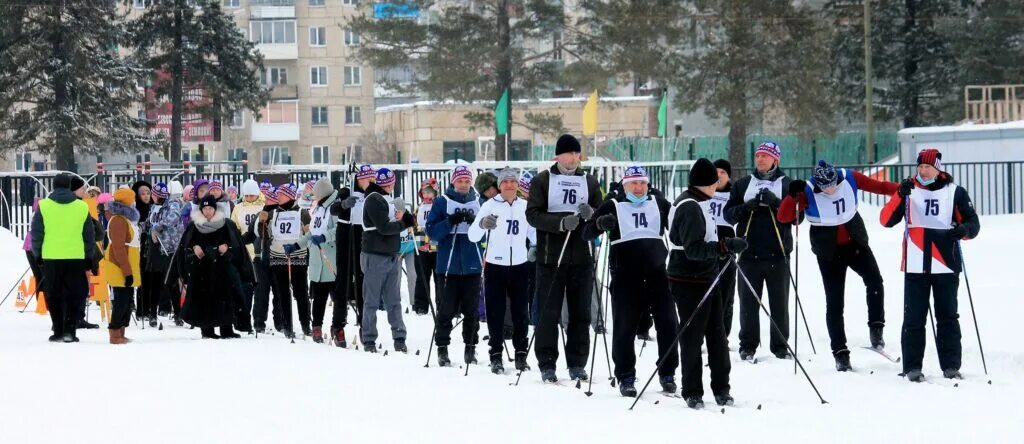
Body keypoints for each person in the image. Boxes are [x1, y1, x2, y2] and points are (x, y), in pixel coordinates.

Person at [778, 160, 898, 371]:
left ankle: (876, 328)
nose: (830, 189)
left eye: (833, 183)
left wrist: (903, 191)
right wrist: (791, 195)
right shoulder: (807, 190)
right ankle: (840, 353)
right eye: (825, 186)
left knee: (875, 281)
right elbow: (784, 217)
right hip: (828, 253)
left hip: (855, 244)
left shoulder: (849, 177)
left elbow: (878, 187)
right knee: (834, 303)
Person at [880, 148, 980, 382]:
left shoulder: (955, 192)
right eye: (920, 167)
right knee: (914, 317)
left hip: (946, 263)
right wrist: (899, 195)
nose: (923, 171)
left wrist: (965, 230)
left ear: (937, 169)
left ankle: (951, 366)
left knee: (947, 316)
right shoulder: (908, 189)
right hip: (916, 263)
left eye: (928, 167)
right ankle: (912, 367)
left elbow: (973, 223)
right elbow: (885, 220)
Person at [582, 166, 679, 396]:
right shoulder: (613, 205)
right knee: (624, 327)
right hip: (626, 276)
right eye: (634, 183)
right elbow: (586, 233)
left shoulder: (658, 203)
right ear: (625, 185)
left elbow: (678, 228)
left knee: (668, 323)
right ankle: (626, 376)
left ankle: (668, 372)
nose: (638, 188)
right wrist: (599, 224)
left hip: (657, 274)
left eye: (642, 183)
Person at [669, 158, 747, 409]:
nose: (717, 185)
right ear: (706, 183)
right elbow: (693, 249)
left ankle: (721, 388)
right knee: (692, 336)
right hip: (689, 278)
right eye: (714, 181)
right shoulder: (690, 206)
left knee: (717, 334)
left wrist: (723, 249)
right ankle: (692, 391)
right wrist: (725, 246)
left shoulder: (701, 202)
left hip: (707, 275)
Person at [525, 134, 602, 383]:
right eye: (567, 154)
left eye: (576, 154)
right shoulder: (542, 181)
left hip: (581, 257)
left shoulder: (589, 181)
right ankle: (547, 362)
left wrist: (593, 216)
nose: (572, 159)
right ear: (558, 156)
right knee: (549, 311)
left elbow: (601, 217)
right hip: (550, 257)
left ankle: (577, 362)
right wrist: (560, 223)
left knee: (581, 313)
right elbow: (533, 215)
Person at [723, 141, 797, 361]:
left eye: (765, 156)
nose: (760, 160)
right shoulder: (744, 184)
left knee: (779, 304)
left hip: (778, 254)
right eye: (757, 156)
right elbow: (728, 214)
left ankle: (781, 346)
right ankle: (748, 345)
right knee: (748, 304)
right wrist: (746, 207)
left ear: (776, 159)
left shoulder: (786, 184)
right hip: (748, 254)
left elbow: (797, 216)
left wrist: (776, 203)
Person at [468, 168, 535, 374]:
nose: (509, 185)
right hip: (496, 266)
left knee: (520, 312)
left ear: (517, 185)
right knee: (495, 312)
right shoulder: (489, 205)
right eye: (505, 182)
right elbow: (472, 235)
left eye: (513, 181)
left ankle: (521, 354)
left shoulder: (525, 206)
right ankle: (495, 354)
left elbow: (534, 233)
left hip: (520, 265)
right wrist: (482, 223)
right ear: (499, 185)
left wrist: (535, 248)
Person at [426, 165, 484, 366]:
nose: (463, 184)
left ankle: (471, 348)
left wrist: (475, 222)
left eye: (467, 181)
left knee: (472, 310)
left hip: (472, 265)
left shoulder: (478, 202)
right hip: (448, 265)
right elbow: (432, 231)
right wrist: (449, 222)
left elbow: (486, 230)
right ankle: (442, 348)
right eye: (460, 181)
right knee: (446, 310)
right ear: (453, 182)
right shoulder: (442, 202)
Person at [31, 173, 97, 343]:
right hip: (75, 257)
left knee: (53, 294)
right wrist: (89, 257)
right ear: (69, 186)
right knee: (74, 294)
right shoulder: (81, 207)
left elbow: (37, 233)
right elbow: (88, 235)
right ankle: (70, 331)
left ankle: (58, 330)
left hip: (51, 257)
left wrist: (37, 254)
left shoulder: (44, 206)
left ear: (53, 186)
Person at [179, 195, 249, 339]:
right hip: (202, 270)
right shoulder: (194, 225)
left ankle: (226, 329)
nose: (208, 211)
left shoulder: (225, 224)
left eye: (210, 208)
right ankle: (207, 330)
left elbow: (236, 245)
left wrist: (227, 248)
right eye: (205, 208)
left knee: (225, 298)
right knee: (204, 298)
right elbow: (186, 245)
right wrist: (194, 247)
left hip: (222, 268)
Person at [360, 168, 414, 353]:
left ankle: (399, 337)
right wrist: (404, 223)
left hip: (391, 254)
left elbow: (394, 221)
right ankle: (368, 339)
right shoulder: (374, 199)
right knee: (372, 300)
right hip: (375, 255)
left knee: (394, 300)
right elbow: (383, 227)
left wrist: (404, 219)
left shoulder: (386, 199)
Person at [262, 183, 312, 339]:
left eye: (282, 194)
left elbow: (309, 235)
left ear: (290, 196)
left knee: (301, 292)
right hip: (278, 256)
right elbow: (264, 235)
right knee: (282, 292)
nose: (278, 197)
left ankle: (305, 324)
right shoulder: (272, 213)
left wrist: (306, 233)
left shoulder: (302, 213)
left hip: (297, 256)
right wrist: (261, 222)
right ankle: (286, 325)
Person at [330, 164, 376, 330]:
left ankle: (366, 323)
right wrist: (344, 204)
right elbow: (333, 209)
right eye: (367, 179)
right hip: (346, 236)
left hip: (364, 238)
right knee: (343, 280)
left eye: (373, 179)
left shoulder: (373, 195)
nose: (370, 183)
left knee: (364, 281)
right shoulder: (346, 191)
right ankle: (338, 323)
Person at [101, 188, 142, 344]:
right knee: (121, 300)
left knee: (126, 300)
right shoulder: (118, 220)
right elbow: (119, 248)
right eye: (132, 200)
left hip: (127, 266)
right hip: (120, 267)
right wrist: (127, 271)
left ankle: (121, 331)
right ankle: (115, 333)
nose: (134, 202)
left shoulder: (125, 220)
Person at [307, 178, 344, 346]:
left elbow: (339, 230)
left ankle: (338, 327)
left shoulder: (334, 208)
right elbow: (312, 231)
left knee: (338, 298)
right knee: (319, 298)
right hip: (318, 262)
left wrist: (324, 237)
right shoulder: (318, 209)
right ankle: (316, 326)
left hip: (332, 261)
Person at [242, 183, 281, 333]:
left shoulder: (281, 213)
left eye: (272, 199)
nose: (268, 202)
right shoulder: (260, 215)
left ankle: (281, 322)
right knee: (260, 293)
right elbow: (251, 234)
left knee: (279, 292)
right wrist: (239, 240)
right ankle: (258, 322)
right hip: (260, 259)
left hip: (278, 258)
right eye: (268, 199)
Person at [229, 179, 265, 333]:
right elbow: (233, 226)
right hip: (244, 254)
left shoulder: (263, 207)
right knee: (245, 288)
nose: (250, 198)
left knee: (260, 289)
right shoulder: (238, 208)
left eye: (252, 195)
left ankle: (258, 320)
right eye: (247, 195)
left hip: (259, 252)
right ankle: (243, 318)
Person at [151, 181, 186, 325]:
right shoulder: (154, 208)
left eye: (153, 194)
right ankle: (153, 313)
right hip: (157, 248)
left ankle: (178, 314)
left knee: (172, 282)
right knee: (155, 282)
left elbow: (174, 217)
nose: (152, 196)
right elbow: (149, 222)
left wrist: (159, 226)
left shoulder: (172, 204)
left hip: (171, 249)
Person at [711, 160, 739, 335]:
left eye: (723, 172)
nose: (719, 175)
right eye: (716, 172)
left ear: (728, 176)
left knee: (726, 295)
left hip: (728, 248)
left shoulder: (734, 194)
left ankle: (723, 335)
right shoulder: (705, 192)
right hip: (708, 247)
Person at [412, 178, 440, 315]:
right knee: (422, 276)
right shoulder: (419, 207)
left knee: (439, 276)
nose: (427, 195)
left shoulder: (439, 207)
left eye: (430, 192)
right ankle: (421, 305)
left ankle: (442, 304)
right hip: (421, 243)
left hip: (436, 244)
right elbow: (414, 223)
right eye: (425, 192)